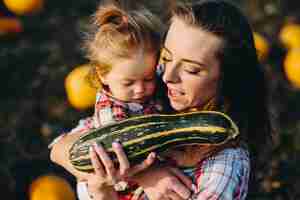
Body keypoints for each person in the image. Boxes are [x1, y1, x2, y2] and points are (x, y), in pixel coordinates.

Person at [50, 0, 274, 199]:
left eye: (191, 70)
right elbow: (60, 147)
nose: (167, 76)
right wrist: (145, 175)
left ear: (228, 77)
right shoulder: (151, 88)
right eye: (166, 57)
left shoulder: (224, 165)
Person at [49, 1, 168, 199]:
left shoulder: (150, 92)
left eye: (148, 78)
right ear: (102, 75)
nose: (140, 89)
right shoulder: (111, 113)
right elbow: (125, 153)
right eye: (129, 83)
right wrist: (149, 172)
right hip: (125, 185)